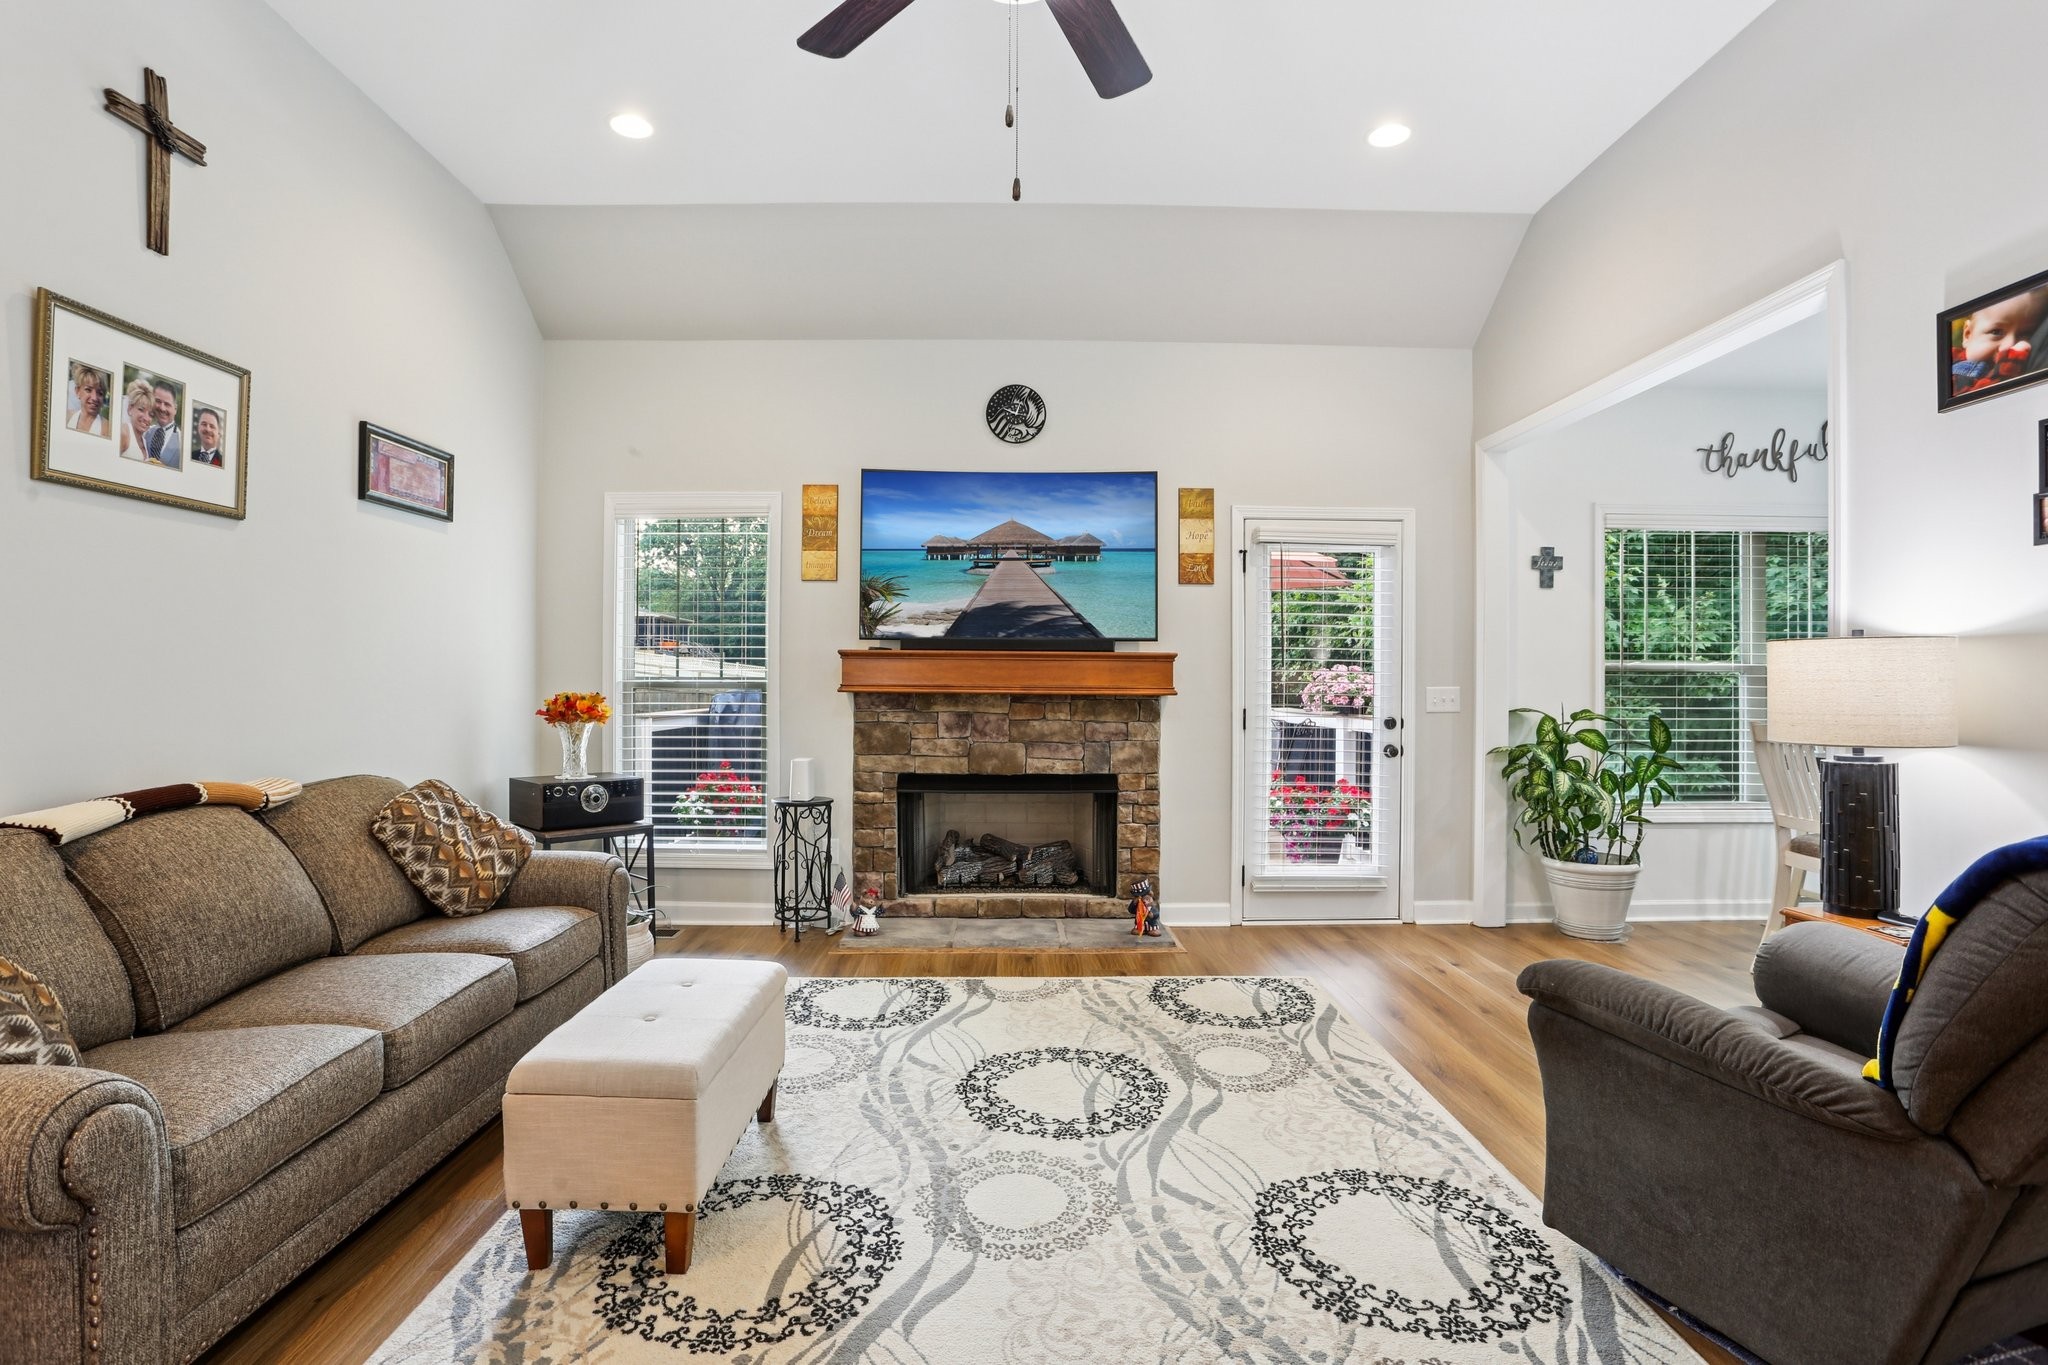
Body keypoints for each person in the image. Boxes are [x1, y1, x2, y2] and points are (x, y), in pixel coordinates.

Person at [1953, 286, 2048, 396]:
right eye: (1996, 332)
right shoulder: (1952, 374)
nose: (2009, 345)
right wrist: (2011, 362)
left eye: (2025, 334)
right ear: (1967, 335)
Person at [142, 381, 182, 469]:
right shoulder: (144, 433)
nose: (162, 408)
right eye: (158, 401)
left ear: (175, 409)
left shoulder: (182, 441)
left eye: (167, 404)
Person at [66, 362, 111, 438]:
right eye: (88, 390)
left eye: (100, 393)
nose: (94, 398)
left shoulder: (108, 429)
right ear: (77, 391)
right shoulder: (67, 417)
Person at [118, 378, 153, 459]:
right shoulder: (124, 433)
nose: (146, 418)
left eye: (151, 414)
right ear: (130, 409)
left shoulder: (144, 441)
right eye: (141, 409)